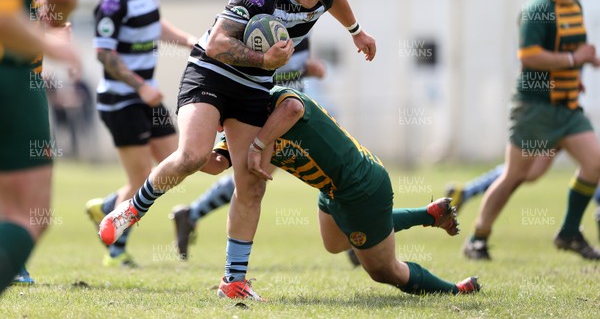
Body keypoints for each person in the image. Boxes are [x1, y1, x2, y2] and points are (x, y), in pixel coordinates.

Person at [98, 0, 376, 298]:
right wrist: (265, 62)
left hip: (254, 89)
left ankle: (233, 282)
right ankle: (129, 212)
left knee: (251, 182)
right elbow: (214, 44)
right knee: (193, 155)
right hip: (211, 73)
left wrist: (357, 32)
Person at [101, 85, 479, 299]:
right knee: (335, 244)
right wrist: (184, 155)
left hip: (362, 187)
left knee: (385, 272)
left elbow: (295, 107)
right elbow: (215, 164)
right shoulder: (237, 124)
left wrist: (260, 143)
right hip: (332, 190)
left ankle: (456, 291)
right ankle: (429, 214)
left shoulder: (271, 97)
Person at [463, 0, 600, 261]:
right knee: (516, 175)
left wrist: (579, 68)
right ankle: (477, 238)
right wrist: (572, 59)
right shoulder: (537, 8)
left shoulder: (575, 6)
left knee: (595, 162)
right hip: (534, 109)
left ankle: (568, 232)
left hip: (567, 109)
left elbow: (569, 52)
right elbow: (529, 56)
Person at [83, 0, 197, 267]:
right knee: (139, 180)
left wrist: (190, 41)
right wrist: (141, 86)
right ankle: (115, 251)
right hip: (121, 101)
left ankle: (107, 208)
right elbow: (103, 53)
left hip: (145, 99)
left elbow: (155, 25)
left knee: (179, 161)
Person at [169, 37, 328, 261]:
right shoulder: (263, 25)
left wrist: (307, 69)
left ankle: (191, 213)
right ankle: (356, 240)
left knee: (247, 175)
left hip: (283, 117)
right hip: (259, 116)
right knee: (236, 171)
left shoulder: (302, 26)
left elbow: (286, 73)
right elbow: (253, 69)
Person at [0, 0, 78, 294]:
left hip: (27, 79)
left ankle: (18, 266)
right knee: (28, 206)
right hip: (12, 79)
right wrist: (55, 34)